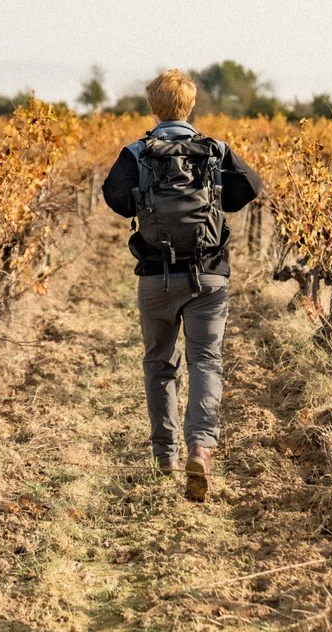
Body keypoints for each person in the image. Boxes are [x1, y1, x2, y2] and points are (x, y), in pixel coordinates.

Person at [102, 69, 262, 501]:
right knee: (206, 361)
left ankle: (166, 455)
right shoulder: (215, 151)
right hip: (209, 276)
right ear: (190, 106)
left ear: (153, 107)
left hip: (156, 276)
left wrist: (147, 199)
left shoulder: (136, 153)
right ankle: (201, 447)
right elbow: (250, 188)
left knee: (159, 362)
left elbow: (114, 198)